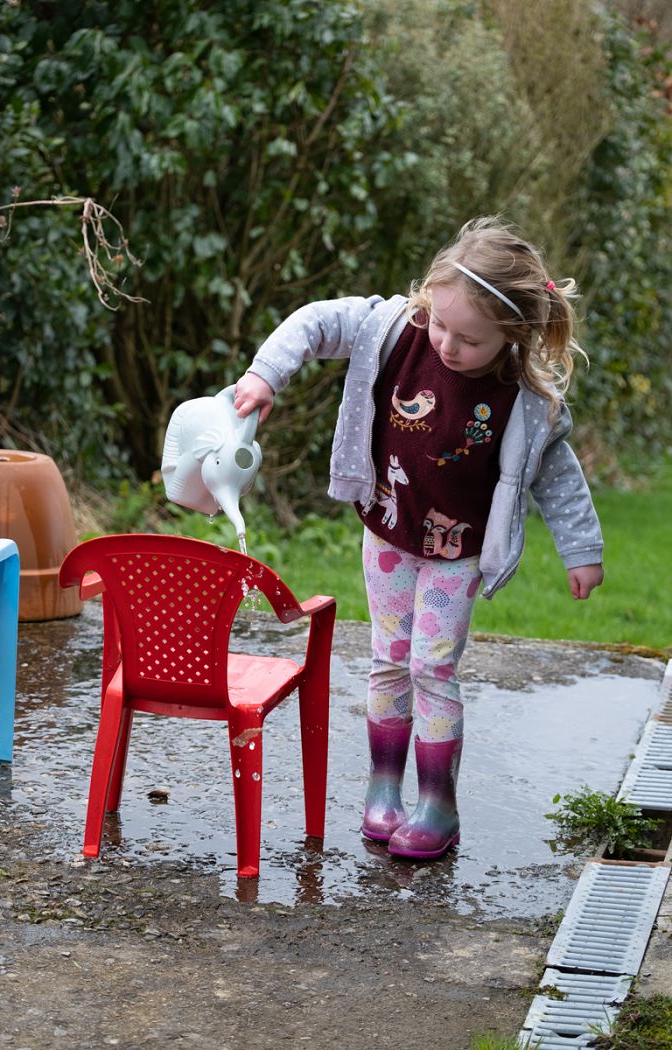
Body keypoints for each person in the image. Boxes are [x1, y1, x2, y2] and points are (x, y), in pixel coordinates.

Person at [234, 216, 604, 861]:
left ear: (513, 335)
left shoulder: (523, 397)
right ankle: (383, 788)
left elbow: (558, 474)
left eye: (470, 339)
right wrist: (267, 374)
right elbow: (315, 322)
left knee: (431, 666)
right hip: (389, 531)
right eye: (439, 324)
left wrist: (581, 550)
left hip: (457, 552)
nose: (447, 345)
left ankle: (437, 804)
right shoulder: (392, 329)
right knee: (388, 658)